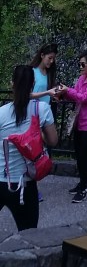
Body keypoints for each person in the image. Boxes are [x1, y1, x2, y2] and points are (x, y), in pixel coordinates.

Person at [0, 65, 57, 230]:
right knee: (28, 234)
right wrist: (38, 134)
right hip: (24, 184)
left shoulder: (1, 112)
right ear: (32, 85)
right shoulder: (42, 109)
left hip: (0, 179)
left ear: (12, 84)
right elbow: (53, 141)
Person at [56, 50, 87, 203]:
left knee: (84, 155)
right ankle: (83, 183)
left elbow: (84, 98)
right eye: (80, 64)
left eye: (83, 64)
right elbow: (75, 94)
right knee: (79, 154)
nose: (80, 67)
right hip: (80, 122)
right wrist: (63, 94)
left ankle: (84, 187)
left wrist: (68, 90)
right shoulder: (81, 78)